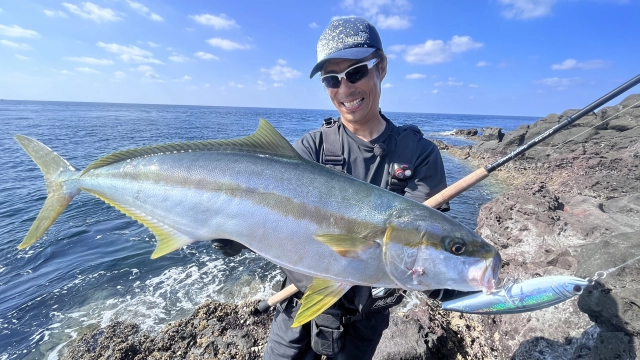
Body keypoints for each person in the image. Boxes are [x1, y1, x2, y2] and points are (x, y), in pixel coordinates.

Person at [213, 16, 463, 359]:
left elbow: (422, 247)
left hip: (365, 317)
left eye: (356, 72)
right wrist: (234, 230)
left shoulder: (418, 154)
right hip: (299, 304)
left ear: (382, 67)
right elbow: (276, 219)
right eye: (332, 79)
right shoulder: (310, 148)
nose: (345, 89)